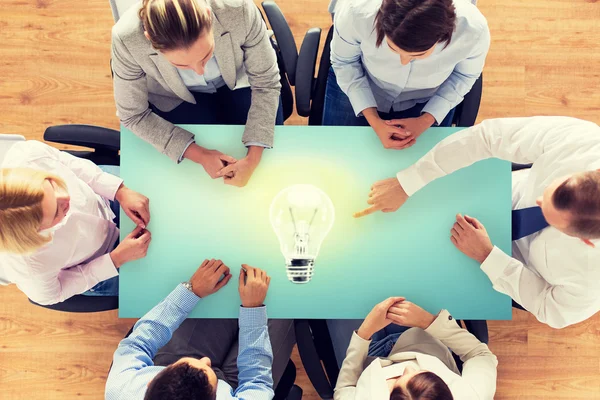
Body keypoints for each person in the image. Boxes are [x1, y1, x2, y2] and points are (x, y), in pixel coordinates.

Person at [354, 116, 600, 329]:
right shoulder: (585, 142)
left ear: (587, 241)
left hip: (504, 267)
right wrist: (407, 182)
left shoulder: (593, 279)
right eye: (549, 192)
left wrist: (487, 257)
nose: (538, 200)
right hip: (494, 191)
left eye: (549, 216)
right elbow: (488, 137)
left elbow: (550, 309)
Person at [111, 0, 283, 188]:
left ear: (209, 16)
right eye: (182, 65)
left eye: (207, 55)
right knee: (191, 179)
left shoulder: (238, 8)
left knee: (269, 167)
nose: (198, 71)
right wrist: (199, 155)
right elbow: (133, 115)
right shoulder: (126, 38)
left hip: (238, 80)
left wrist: (253, 159)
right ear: (149, 38)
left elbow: (266, 83)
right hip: (174, 96)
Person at [105, 260, 295, 400]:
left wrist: (191, 291)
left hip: (171, 361)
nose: (206, 360)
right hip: (239, 389)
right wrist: (253, 310)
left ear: (150, 383)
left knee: (220, 291)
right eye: (207, 365)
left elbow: (138, 342)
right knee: (285, 302)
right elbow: (257, 384)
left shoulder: (122, 388)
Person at [324, 0, 490, 151]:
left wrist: (425, 120)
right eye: (393, 49)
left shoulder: (473, 29)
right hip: (362, 80)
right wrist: (373, 120)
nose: (404, 61)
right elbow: (345, 63)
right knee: (336, 151)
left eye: (419, 55)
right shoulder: (355, 11)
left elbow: (464, 76)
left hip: (429, 97)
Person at [0, 140, 151, 305]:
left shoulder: (28, 155)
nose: (66, 197)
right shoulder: (28, 266)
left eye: (52, 184)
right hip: (102, 259)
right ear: (37, 231)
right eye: (57, 211)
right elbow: (52, 295)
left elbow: (69, 163)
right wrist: (115, 260)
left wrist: (120, 191)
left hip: (101, 193)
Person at [330, 297, 497, 399]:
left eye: (396, 381)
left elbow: (345, 388)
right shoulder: (471, 396)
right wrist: (428, 321)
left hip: (367, 354)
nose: (409, 367)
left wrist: (364, 333)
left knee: (335, 294)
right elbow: (478, 354)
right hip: (421, 334)